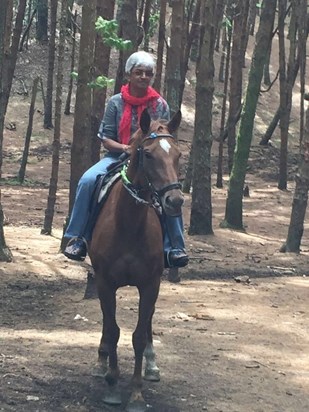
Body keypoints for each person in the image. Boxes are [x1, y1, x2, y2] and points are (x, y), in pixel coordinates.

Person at [64, 51, 189, 268]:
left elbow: (164, 138)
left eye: (147, 73)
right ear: (129, 75)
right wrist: (127, 148)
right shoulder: (115, 103)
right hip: (117, 156)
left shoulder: (160, 105)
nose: (143, 77)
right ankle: (78, 238)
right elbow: (106, 138)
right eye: (138, 72)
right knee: (87, 180)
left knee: (170, 191)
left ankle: (175, 247)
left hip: (150, 160)